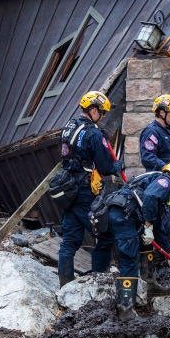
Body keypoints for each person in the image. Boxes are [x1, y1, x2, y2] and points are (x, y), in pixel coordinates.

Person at [55, 90, 124, 287]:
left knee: (69, 239)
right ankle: (98, 280)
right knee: (104, 234)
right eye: (102, 114)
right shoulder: (93, 134)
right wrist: (116, 166)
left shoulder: (68, 126)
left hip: (68, 187)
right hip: (85, 189)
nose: (103, 118)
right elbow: (104, 166)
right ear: (93, 110)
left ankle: (65, 283)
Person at [104, 162, 170, 318]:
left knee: (147, 245)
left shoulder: (156, 183)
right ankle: (125, 309)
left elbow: (158, 228)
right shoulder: (166, 182)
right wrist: (148, 225)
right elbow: (150, 197)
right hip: (123, 217)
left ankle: (149, 285)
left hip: (127, 215)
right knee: (129, 259)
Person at [139, 94, 170, 262]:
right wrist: (169, 170)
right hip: (161, 183)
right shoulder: (152, 132)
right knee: (166, 221)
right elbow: (148, 158)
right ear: (161, 112)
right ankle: (166, 257)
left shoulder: (169, 132)